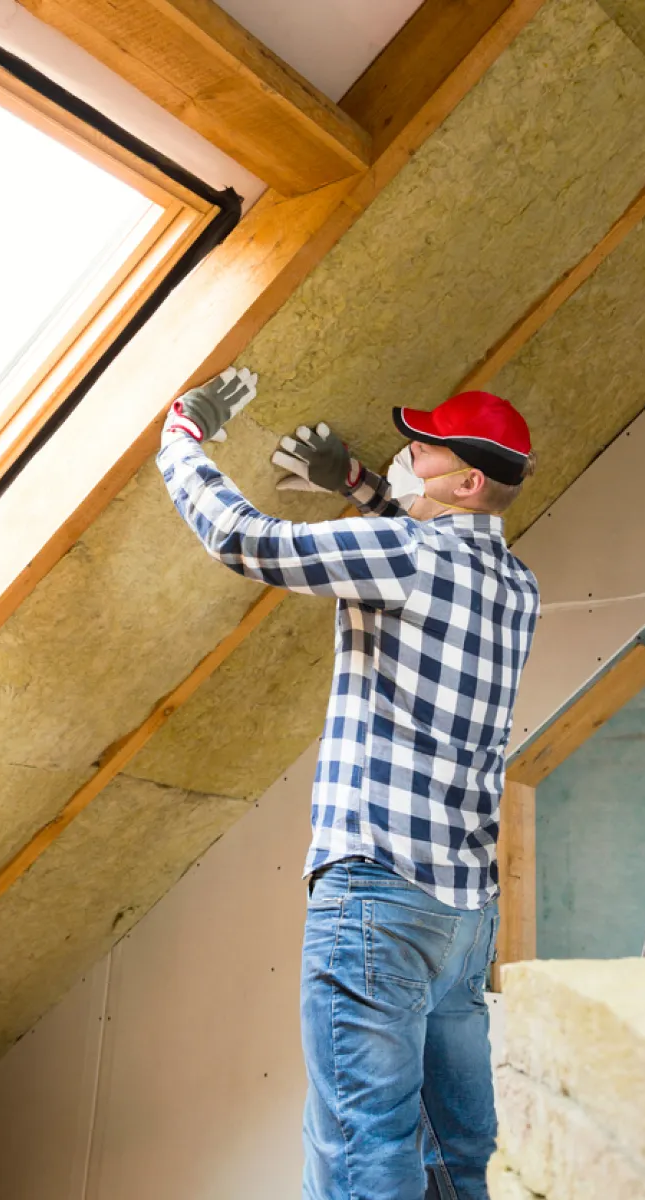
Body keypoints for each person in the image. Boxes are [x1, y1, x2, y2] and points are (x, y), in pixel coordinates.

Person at [157, 368, 540, 1200]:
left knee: (367, 1151)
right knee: (457, 1155)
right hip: (462, 918)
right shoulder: (519, 589)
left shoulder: (404, 552)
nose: (408, 453)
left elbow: (244, 539)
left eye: (424, 449)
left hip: (375, 899)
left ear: (467, 481)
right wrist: (363, 486)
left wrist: (180, 437)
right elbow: (428, 555)